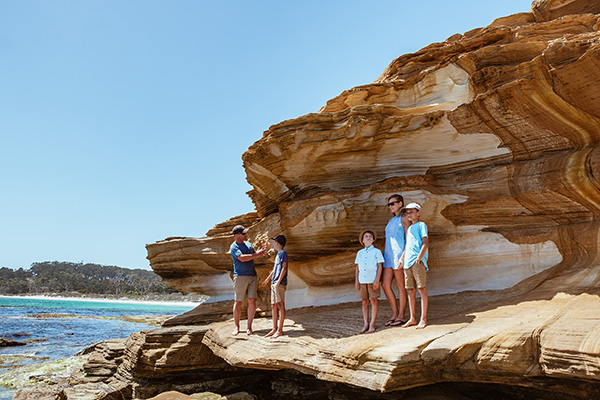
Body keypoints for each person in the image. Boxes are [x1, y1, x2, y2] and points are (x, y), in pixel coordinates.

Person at [230, 225, 267, 336]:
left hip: (252, 276)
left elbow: (254, 255)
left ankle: (249, 327)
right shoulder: (234, 247)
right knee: (238, 302)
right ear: (237, 235)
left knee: (252, 301)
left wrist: (262, 250)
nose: (246, 235)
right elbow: (242, 258)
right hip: (240, 276)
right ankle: (237, 327)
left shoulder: (249, 244)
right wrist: (256, 255)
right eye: (243, 233)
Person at [382, 194, 411, 327]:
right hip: (388, 256)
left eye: (393, 203)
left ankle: (401, 315)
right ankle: (394, 313)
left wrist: (403, 256)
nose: (390, 206)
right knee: (385, 285)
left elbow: (408, 239)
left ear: (401, 204)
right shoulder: (390, 220)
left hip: (399, 255)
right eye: (389, 204)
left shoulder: (404, 218)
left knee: (400, 286)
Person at [399, 203, 429, 329]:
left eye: (412, 212)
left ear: (419, 212)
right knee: (410, 290)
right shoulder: (409, 228)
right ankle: (412, 318)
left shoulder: (421, 225)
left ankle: (423, 319)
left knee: (421, 289)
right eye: (407, 213)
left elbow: (425, 242)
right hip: (407, 263)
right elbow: (408, 245)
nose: (409, 215)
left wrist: (419, 257)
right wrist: (402, 259)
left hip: (417, 262)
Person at [355, 229, 384, 334]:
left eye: (370, 236)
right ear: (362, 241)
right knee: (364, 301)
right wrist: (356, 281)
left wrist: (377, 280)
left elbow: (380, 266)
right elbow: (357, 267)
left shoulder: (377, 252)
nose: (368, 238)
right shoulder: (360, 253)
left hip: (372, 280)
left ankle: (372, 323)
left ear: (373, 240)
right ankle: (366, 323)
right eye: (366, 236)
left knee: (373, 300)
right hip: (362, 280)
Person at [261, 234, 288, 339]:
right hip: (274, 282)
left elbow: (284, 268)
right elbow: (274, 269)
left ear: (278, 243)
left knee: (280, 305)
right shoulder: (278, 255)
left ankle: (280, 330)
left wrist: (278, 282)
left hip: (279, 283)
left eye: (274, 242)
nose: (273, 244)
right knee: (273, 305)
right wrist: (267, 280)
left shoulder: (283, 253)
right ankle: (274, 329)